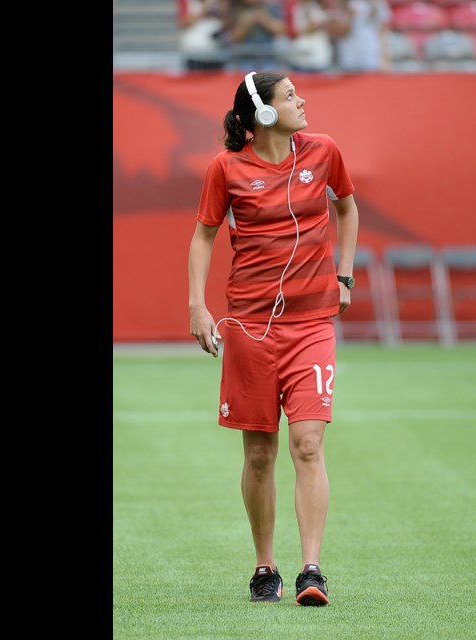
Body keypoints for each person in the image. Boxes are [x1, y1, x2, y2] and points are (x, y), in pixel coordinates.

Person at [187, 71, 360, 606]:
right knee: (259, 454)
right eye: (289, 96)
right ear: (262, 113)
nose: (302, 101)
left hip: (311, 324)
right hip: (249, 326)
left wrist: (344, 275)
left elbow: (347, 206)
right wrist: (198, 306)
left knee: (307, 444)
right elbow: (204, 234)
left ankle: (312, 570)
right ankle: (265, 567)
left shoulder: (325, 151)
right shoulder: (226, 168)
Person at [221, 0, 290, 71]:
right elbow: (232, 38)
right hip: (243, 59)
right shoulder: (234, 9)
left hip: (269, 57)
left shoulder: (272, 6)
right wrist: (247, 23)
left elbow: (282, 30)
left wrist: (265, 20)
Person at [327, 0, 393, 73]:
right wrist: (350, 17)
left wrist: (386, 59)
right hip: (348, 57)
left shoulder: (377, 3)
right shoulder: (342, 3)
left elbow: (383, 33)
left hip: (371, 56)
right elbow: (336, 33)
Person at [178, 0, 229, 71]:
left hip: (217, 53)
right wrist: (206, 7)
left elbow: (227, 20)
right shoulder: (187, 2)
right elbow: (184, 23)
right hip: (194, 54)